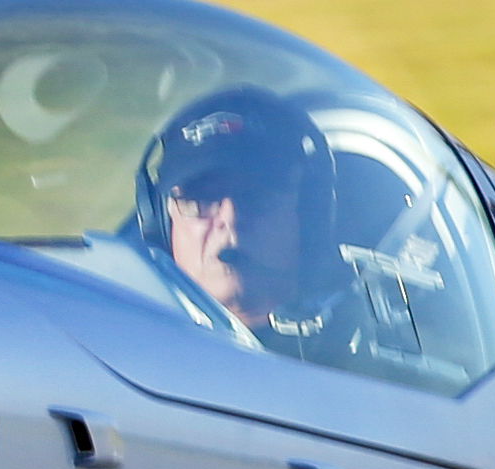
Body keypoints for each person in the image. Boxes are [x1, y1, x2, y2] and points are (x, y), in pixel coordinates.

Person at [140, 86, 383, 371]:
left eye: (257, 197)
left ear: (308, 217)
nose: (230, 218)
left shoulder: (365, 361)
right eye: (200, 199)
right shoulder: (130, 347)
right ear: (160, 219)